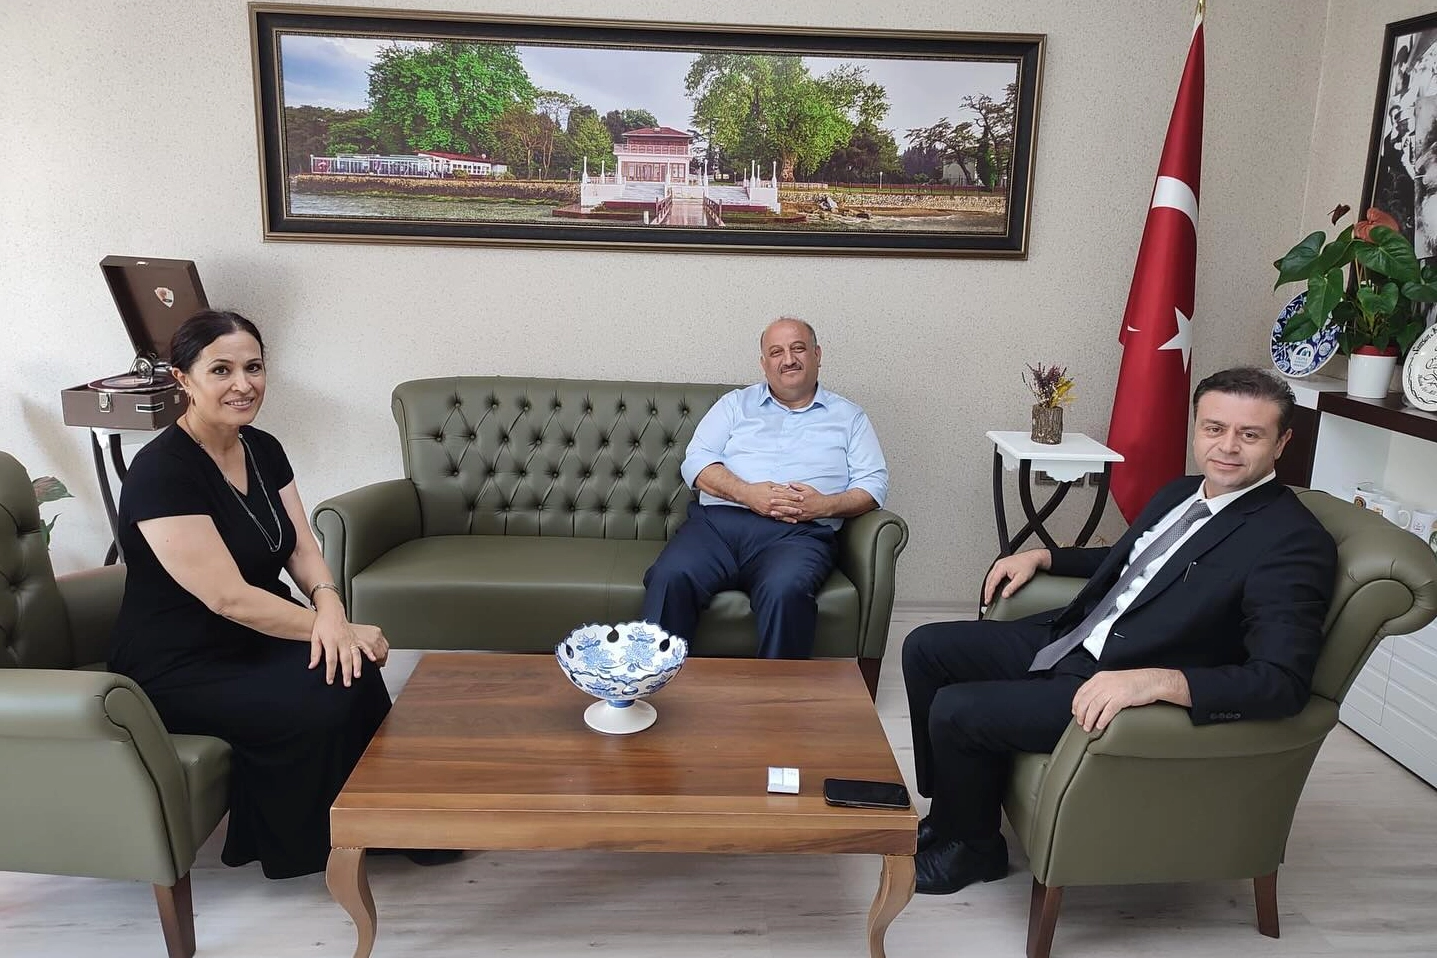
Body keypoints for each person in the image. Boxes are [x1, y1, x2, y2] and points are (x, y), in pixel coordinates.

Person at [902, 367, 1337, 895]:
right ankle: (951, 814)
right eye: (1214, 428)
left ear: (1282, 442)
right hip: (1077, 637)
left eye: (1249, 434)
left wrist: (1158, 681)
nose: (1226, 447)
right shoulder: (1184, 491)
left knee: (958, 709)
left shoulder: (1291, 541)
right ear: (1196, 428)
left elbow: (1282, 682)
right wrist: (1045, 556)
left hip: (1120, 676)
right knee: (926, 647)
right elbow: (1138, 557)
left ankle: (974, 852)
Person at [109, 310, 448, 879]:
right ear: (182, 379)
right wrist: (334, 630)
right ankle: (307, 844)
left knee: (352, 669)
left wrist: (330, 606)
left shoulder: (262, 448)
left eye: (254, 367)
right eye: (221, 370)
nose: (243, 384)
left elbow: (302, 548)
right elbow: (228, 599)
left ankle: (380, 819)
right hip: (180, 660)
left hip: (255, 634)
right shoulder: (160, 471)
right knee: (322, 692)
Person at [641, 317, 888, 658]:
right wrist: (748, 494)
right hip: (717, 529)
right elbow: (696, 462)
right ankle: (655, 681)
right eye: (776, 352)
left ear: (817, 355)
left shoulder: (850, 417)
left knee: (785, 591)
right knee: (669, 576)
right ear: (764, 363)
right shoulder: (734, 404)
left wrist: (824, 506)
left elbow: (873, 484)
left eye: (798, 348)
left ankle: (777, 693)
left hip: (798, 535)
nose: (788, 359)